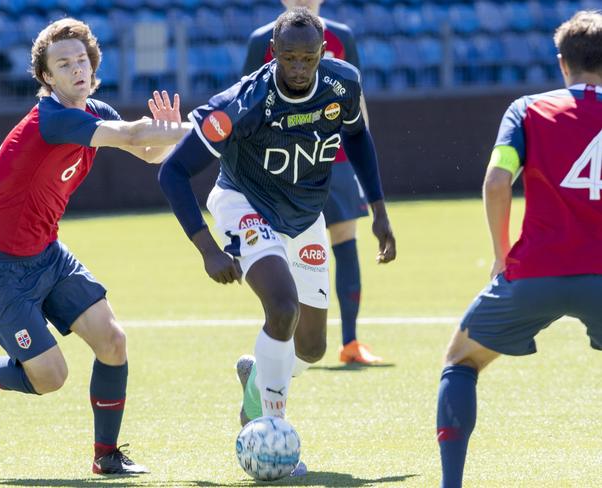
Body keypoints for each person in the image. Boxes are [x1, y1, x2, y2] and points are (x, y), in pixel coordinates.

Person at [158, 7, 396, 475]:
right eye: (289, 57)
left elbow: (358, 137)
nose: (299, 68)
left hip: (305, 217)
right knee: (282, 308)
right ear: (274, 53)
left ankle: (256, 380)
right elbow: (173, 172)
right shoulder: (242, 103)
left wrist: (380, 211)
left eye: (308, 58)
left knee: (311, 348)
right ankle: (270, 432)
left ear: (323, 53)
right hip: (243, 205)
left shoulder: (342, 84)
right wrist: (207, 248)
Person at [0, 18, 190, 475]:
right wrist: (193, 128)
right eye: (64, 63)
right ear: (47, 77)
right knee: (49, 378)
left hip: (47, 254)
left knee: (112, 341)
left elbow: (146, 151)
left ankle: (107, 457)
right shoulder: (53, 119)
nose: (77, 68)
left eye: (81, 59)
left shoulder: (92, 109)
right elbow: (134, 136)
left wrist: (164, 134)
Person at [436, 10, 602, 487]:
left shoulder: (527, 110)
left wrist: (501, 252)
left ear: (561, 62)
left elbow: (495, 182)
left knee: (460, 361)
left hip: (534, 274)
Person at [243, 0, 381, 365]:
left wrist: (361, 165)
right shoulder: (263, 40)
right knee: (284, 253)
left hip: (333, 159)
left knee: (345, 240)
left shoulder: (342, 37)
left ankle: (351, 342)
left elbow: (357, 102)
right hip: (279, 167)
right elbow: (243, 102)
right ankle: (285, 340)